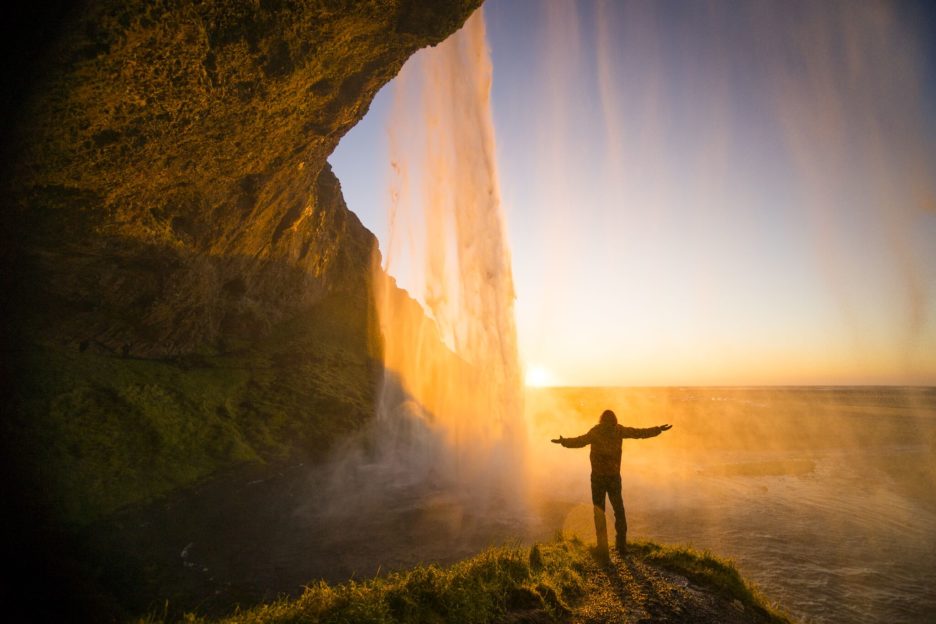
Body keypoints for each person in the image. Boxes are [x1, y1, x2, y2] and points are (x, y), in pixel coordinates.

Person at [552, 410, 672, 558]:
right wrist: (658, 429)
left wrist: (564, 442)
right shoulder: (619, 430)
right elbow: (639, 433)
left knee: (599, 513)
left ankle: (602, 549)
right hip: (614, 478)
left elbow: (579, 441)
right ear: (614, 420)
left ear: (601, 419)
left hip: (597, 479)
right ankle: (621, 547)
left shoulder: (596, 431)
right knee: (619, 512)